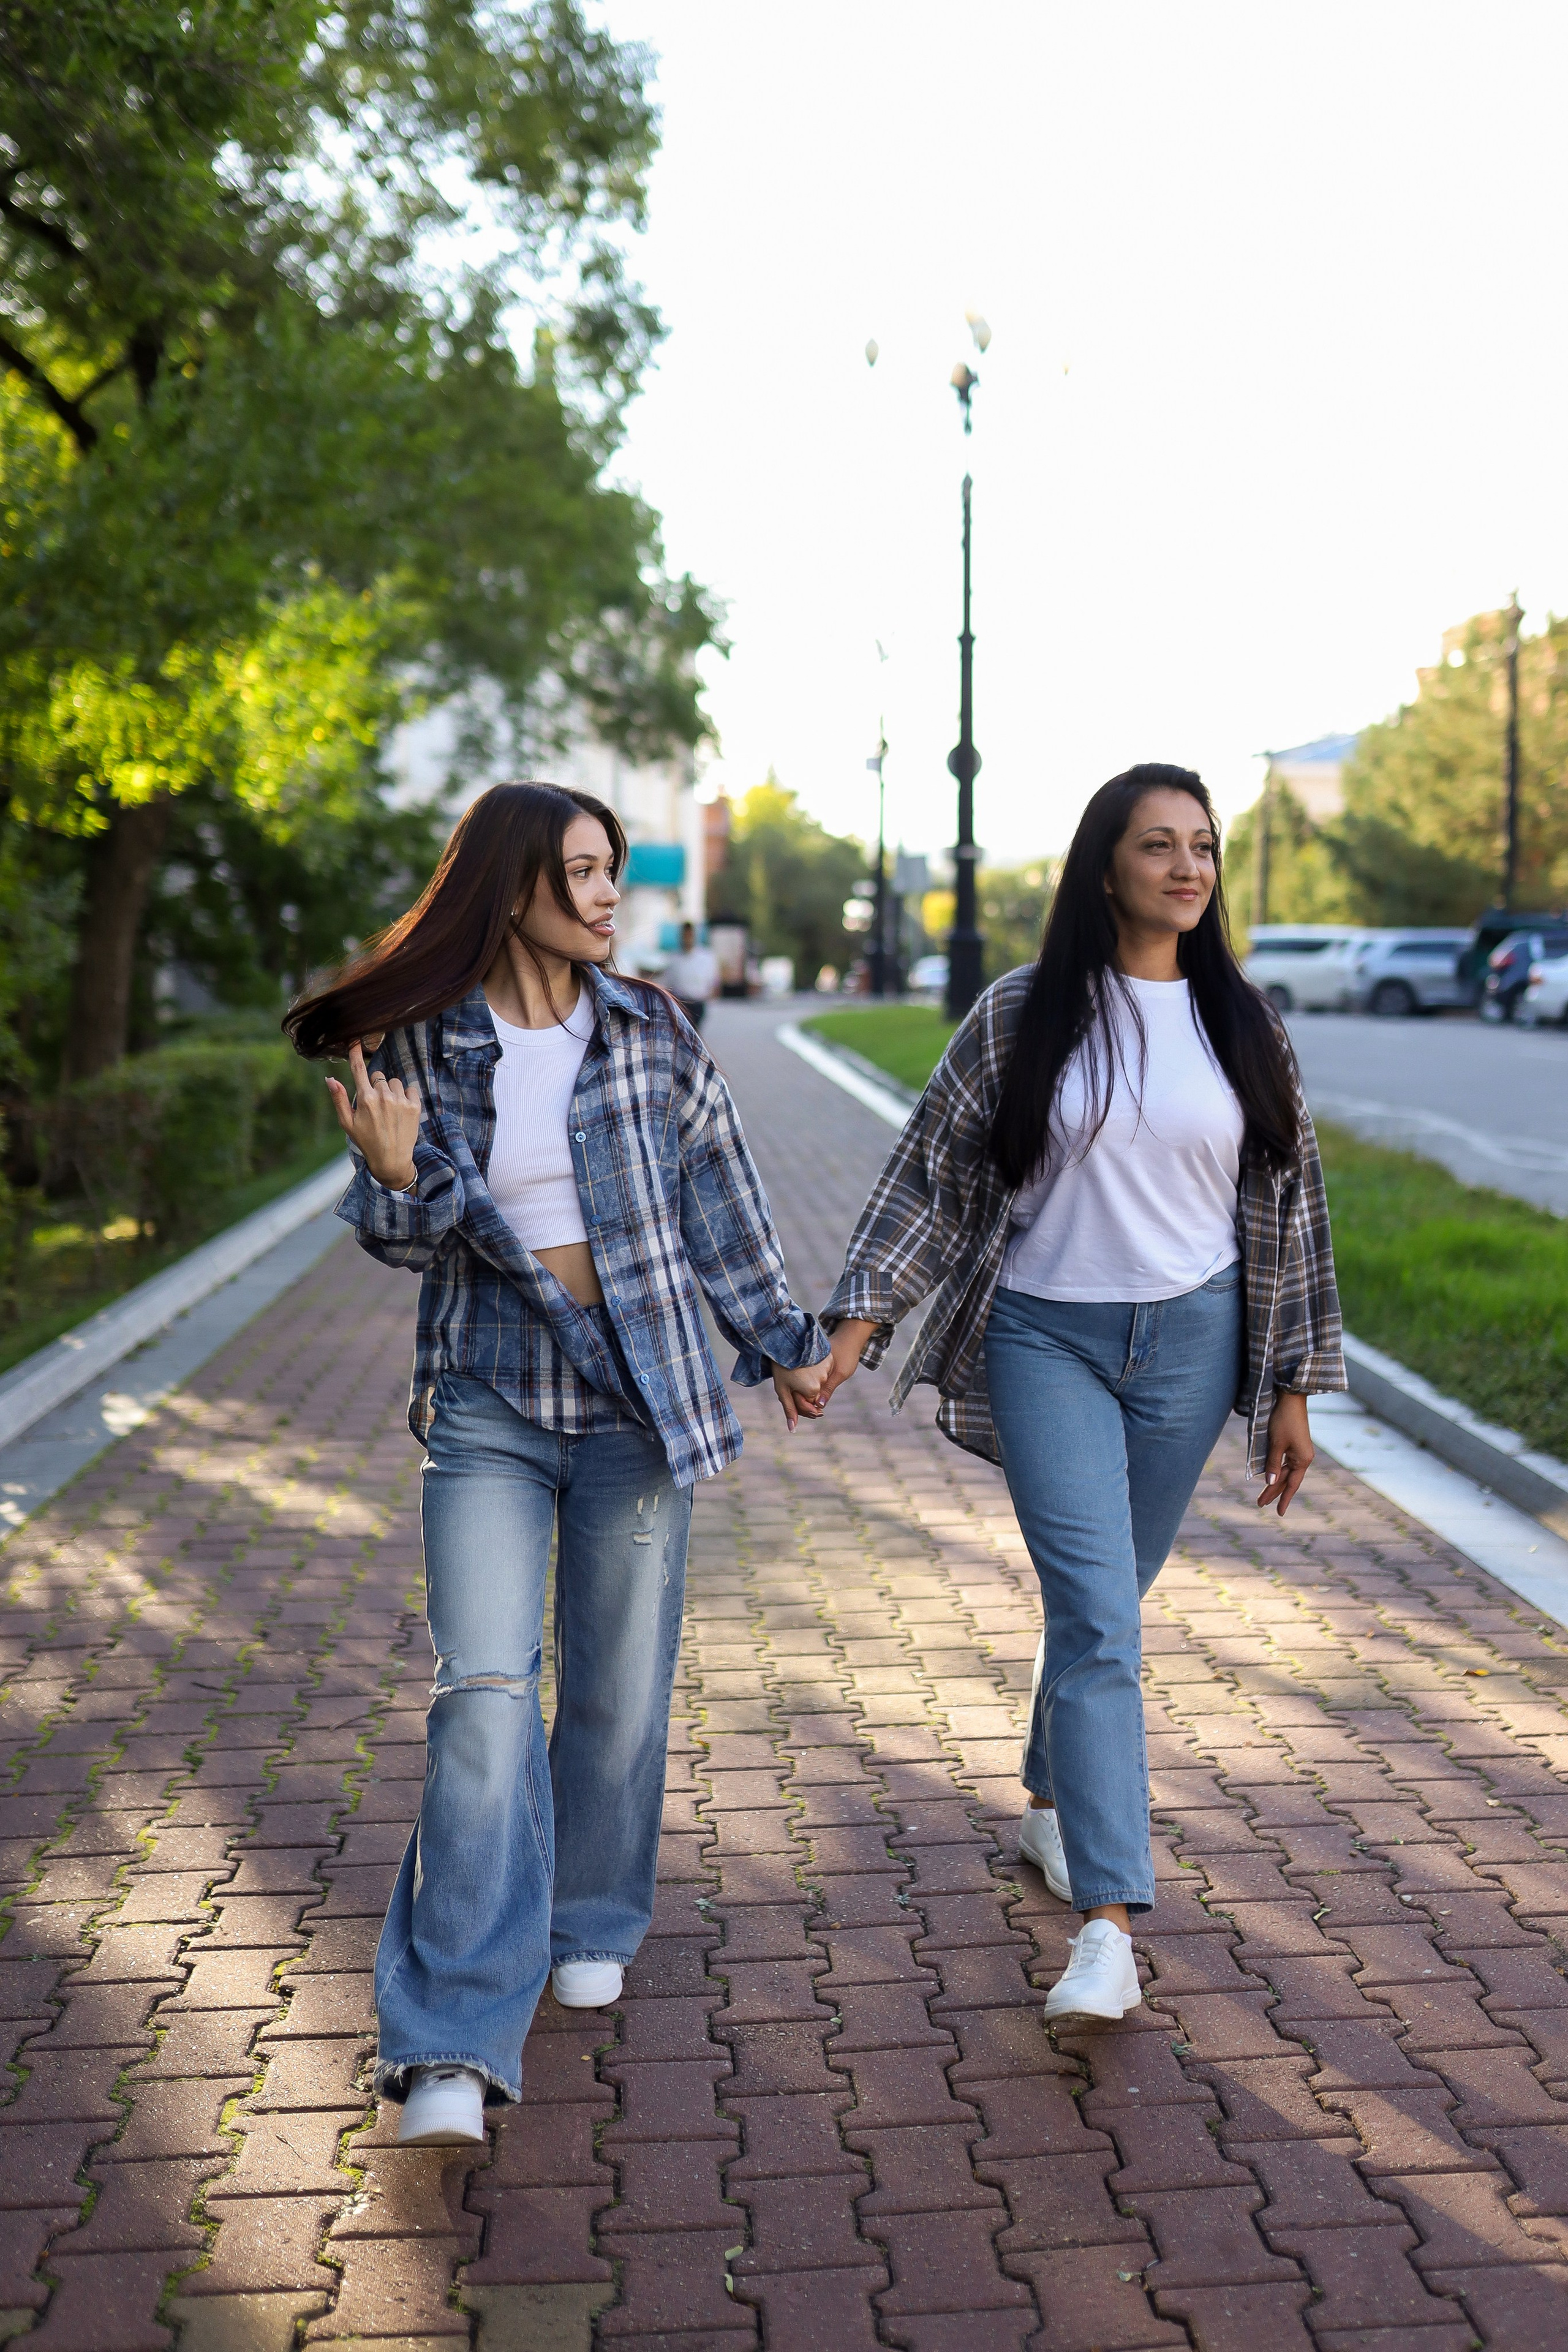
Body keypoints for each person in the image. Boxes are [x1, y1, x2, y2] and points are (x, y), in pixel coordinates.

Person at [285, 782, 829, 2144]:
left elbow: (725, 1213)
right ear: (509, 886)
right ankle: (452, 2035)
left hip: (638, 1404)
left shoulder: (652, 1032)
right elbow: (397, 1239)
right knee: (480, 1690)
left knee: (618, 1693)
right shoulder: (423, 1041)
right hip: (489, 1404)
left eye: (606, 872)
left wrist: (786, 1344)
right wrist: (401, 1180)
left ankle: (591, 1910)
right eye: (578, 873)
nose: (603, 895)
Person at [815, 764, 1344, 2025]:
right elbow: (928, 1185)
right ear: (1101, 865)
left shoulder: (1244, 1024)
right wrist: (853, 1329)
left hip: (1194, 1344)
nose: (1184, 868)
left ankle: (1050, 1796)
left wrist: (1292, 1387)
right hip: (1045, 1339)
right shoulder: (1019, 1015)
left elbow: (1293, 1209)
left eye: (1200, 848)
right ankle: (1108, 1925)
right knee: (1102, 1618)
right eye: (1156, 845)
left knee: (1108, 1601)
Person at [662, 920, 720, 1031]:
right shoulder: (674, 958)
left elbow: (713, 982)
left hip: (698, 1002)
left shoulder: (706, 957)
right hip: (681, 1003)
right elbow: (667, 982)